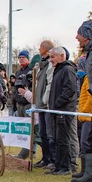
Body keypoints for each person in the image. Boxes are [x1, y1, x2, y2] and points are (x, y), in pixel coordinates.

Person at [44, 47, 77, 176]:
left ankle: (65, 167)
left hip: (64, 111)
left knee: (63, 140)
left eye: (53, 57)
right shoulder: (58, 70)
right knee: (57, 139)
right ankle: (58, 166)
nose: (50, 60)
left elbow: (70, 89)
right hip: (57, 111)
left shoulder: (67, 70)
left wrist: (57, 103)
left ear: (62, 56)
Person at [72, 19, 92, 182]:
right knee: (85, 139)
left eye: (79, 34)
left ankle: (89, 174)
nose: (76, 37)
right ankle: (86, 170)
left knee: (88, 138)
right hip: (87, 100)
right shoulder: (89, 52)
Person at [32, 40, 56, 169]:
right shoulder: (41, 64)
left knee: (49, 133)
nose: (39, 48)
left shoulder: (50, 65)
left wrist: (45, 100)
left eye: (41, 46)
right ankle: (46, 158)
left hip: (46, 105)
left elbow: (49, 84)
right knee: (42, 133)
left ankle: (53, 159)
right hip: (40, 104)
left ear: (46, 49)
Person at [13, 50, 33, 159]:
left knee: (29, 129)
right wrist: (15, 102)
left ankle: (27, 152)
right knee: (22, 130)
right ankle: (23, 152)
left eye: (23, 57)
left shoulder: (32, 70)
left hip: (28, 103)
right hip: (19, 103)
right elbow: (16, 88)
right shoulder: (18, 72)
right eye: (19, 57)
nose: (21, 59)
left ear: (28, 58)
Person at [73, 57, 91, 179]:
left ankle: (89, 173)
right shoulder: (84, 79)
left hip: (88, 115)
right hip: (83, 115)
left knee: (86, 142)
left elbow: (90, 98)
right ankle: (84, 170)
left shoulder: (89, 79)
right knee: (83, 143)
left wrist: (84, 111)